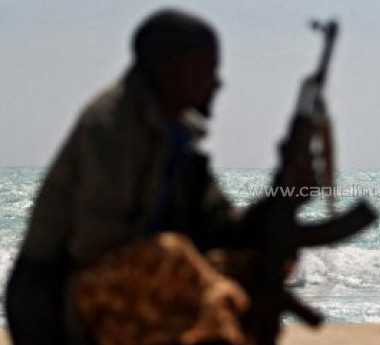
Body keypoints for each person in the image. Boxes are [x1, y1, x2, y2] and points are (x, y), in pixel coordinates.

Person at [5, 8, 318, 345]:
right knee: (171, 255)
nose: (217, 82)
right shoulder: (111, 126)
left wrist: (283, 193)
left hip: (137, 282)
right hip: (56, 300)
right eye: (207, 69)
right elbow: (93, 246)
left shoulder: (180, 140)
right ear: (174, 70)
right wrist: (201, 278)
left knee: (266, 255)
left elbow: (222, 227)